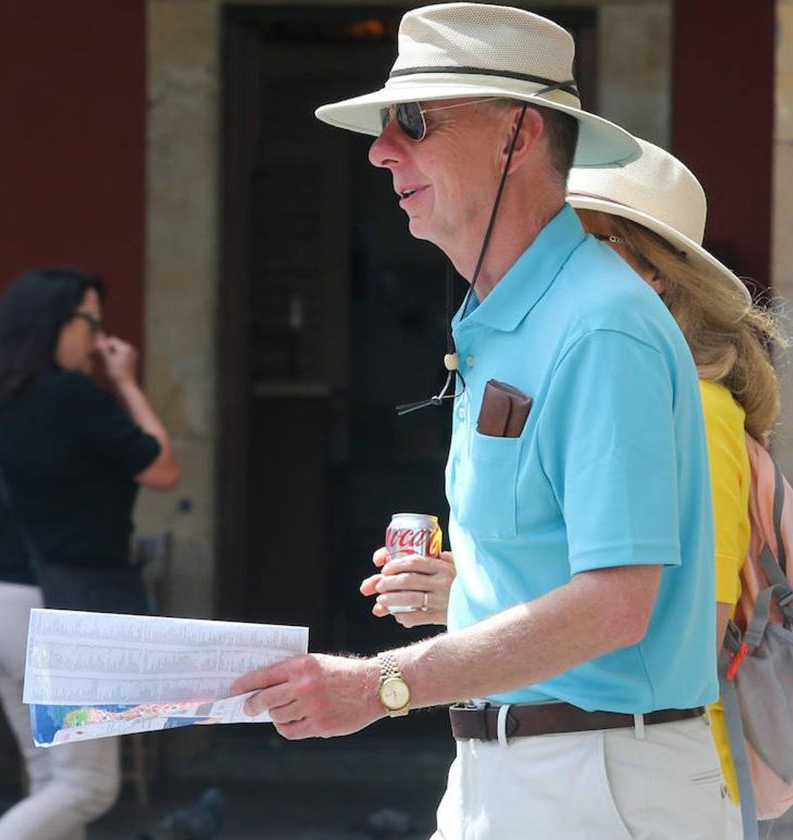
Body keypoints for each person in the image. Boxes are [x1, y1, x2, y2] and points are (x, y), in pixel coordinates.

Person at [232, 5, 731, 837]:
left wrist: (378, 685)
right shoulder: (512, 312)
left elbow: (615, 607)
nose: (381, 148)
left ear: (517, 136)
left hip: (598, 779)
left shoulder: (600, 322)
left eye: (415, 121)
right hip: (517, 768)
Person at [567, 139, 787, 831]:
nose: (563, 267)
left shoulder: (697, 409)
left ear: (655, 273)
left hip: (669, 784)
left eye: (589, 244)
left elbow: (693, 630)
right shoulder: (642, 397)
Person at [0, 266, 180, 840]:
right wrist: (128, 382)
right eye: (91, 320)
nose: (99, 335)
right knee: (87, 786)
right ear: (54, 324)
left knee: (50, 781)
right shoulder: (74, 394)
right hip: (54, 611)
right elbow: (161, 466)